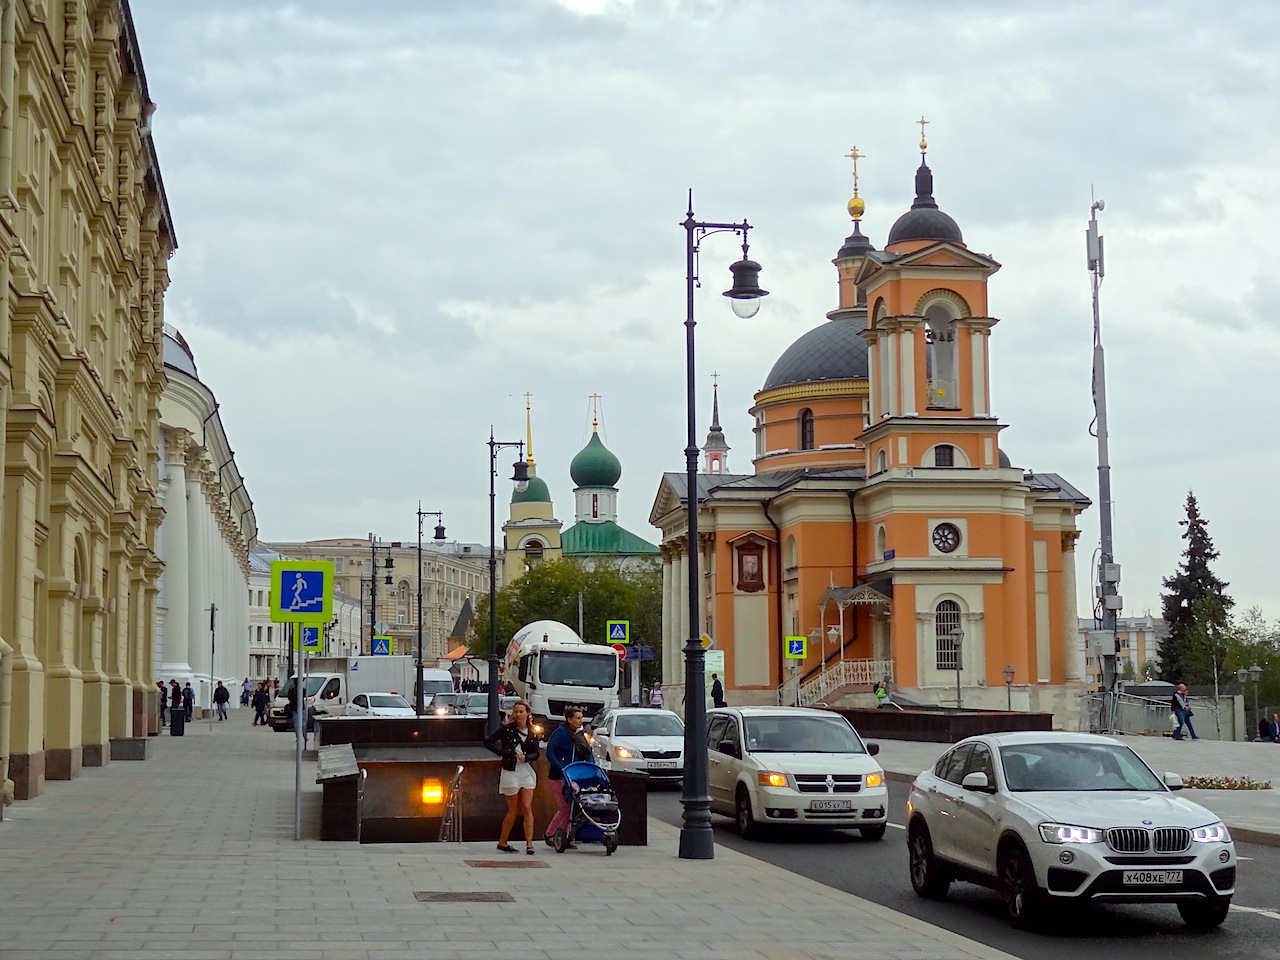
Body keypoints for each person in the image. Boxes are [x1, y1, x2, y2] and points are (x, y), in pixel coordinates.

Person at [483, 699, 541, 854]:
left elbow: (536, 753)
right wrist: (506, 754)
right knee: (513, 809)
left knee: (527, 807)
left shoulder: (532, 732)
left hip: (526, 771)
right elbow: (488, 742)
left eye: (521, 711)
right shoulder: (507, 730)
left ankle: (529, 844)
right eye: (516, 711)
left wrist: (526, 757)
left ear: (528, 714)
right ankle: (502, 842)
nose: (518, 714)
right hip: (510, 770)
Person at [544, 706, 592, 848]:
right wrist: (560, 766)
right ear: (569, 719)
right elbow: (550, 752)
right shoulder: (561, 733)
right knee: (565, 806)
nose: (580, 721)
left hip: (574, 775)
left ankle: (566, 836)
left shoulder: (579, 735)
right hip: (559, 775)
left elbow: (587, 752)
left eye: (581, 718)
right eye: (577, 718)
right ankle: (550, 833)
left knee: (573, 806)